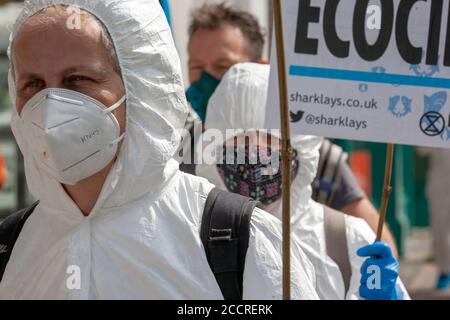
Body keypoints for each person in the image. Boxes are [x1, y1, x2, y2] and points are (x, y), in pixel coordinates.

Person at [0, 0, 320, 299]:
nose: (53, 106)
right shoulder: (11, 247)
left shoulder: (238, 240)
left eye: (77, 79)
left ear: (141, 85)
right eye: (34, 84)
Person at [184, 2, 398, 257]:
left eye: (222, 67)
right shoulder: (177, 152)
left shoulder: (311, 155)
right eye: (197, 67)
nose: (206, 79)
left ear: (261, 68)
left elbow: (377, 239)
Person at [196, 62, 410, 300]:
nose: (255, 152)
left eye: (270, 138)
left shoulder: (347, 240)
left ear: (299, 147)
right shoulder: (191, 239)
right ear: (215, 148)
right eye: (239, 140)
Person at [417, 147, 450, 290]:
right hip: (441, 185)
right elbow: (422, 149)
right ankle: (444, 271)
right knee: (440, 229)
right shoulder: (439, 124)